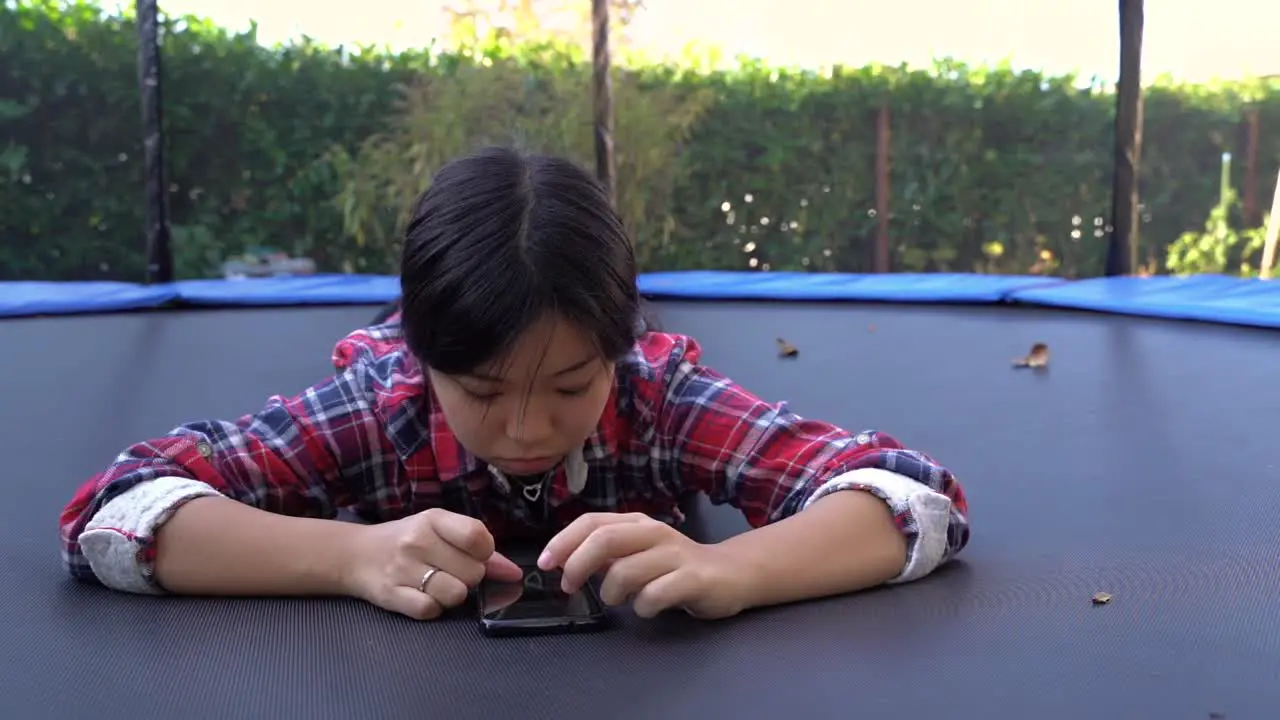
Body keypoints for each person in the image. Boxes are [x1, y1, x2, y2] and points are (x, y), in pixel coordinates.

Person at [58, 147, 971, 622]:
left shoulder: (658, 398)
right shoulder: (381, 409)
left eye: (571, 385)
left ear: (620, 347)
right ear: (423, 358)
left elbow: (910, 495)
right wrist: (347, 558)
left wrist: (731, 568)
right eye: (483, 392)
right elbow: (116, 512)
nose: (528, 425)